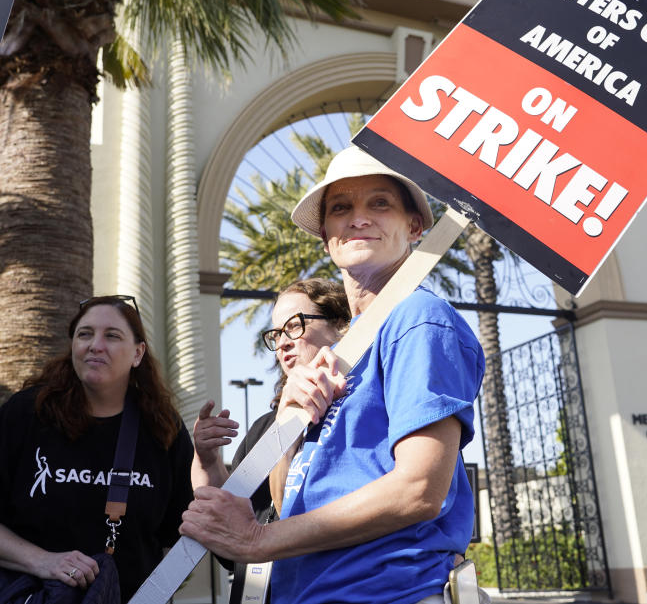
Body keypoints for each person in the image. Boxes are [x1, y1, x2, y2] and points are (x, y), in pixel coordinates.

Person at [181, 146, 485, 604]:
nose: (358, 218)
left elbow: (420, 489)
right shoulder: (343, 354)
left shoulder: (419, 319)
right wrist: (289, 421)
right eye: (341, 208)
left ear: (415, 227)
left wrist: (256, 541)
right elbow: (289, 504)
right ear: (326, 237)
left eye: (379, 203)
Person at [0, 295, 194, 603]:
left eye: (112, 336)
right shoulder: (28, 414)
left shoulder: (163, 429)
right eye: (85, 334)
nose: (95, 345)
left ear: (137, 353)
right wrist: (44, 562)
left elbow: (181, 535)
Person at [191, 278, 351, 604]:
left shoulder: (368, 410)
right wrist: (206, 459)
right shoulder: (265, 428)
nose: (282, 343)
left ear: (340, 326)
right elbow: (234, 526)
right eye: (276, 334)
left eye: (294, 326)